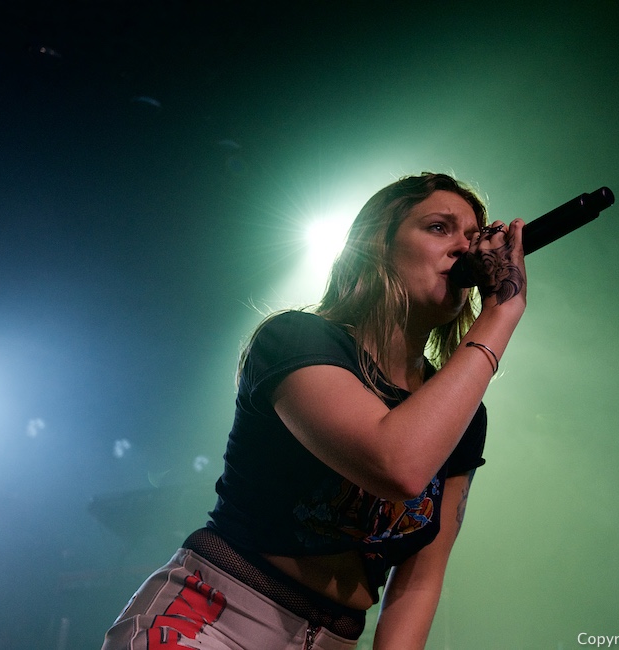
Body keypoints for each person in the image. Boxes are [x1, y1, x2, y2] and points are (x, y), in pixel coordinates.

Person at [101, 172, 527, 649]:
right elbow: (397, 464)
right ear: (377, 245)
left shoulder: (465, 416)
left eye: (474, 238)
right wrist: (500, 314)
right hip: (213, 617)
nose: (465, 250)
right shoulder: (296, 339)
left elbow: (419, 582)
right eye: (438, 228)